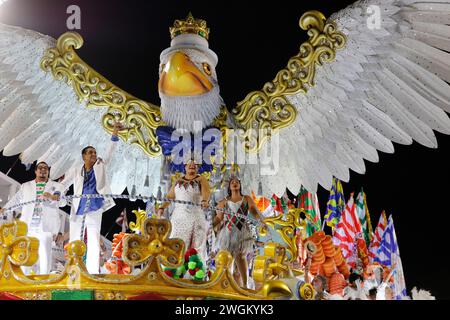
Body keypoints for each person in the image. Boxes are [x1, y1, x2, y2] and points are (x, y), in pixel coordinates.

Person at [60, 122, 122, 274]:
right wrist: (57, 194)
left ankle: (93, 271)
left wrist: (115, 132)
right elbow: (64, 184)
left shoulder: (100, 164)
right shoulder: (76, 169)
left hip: (95, 206)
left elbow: (109, 152)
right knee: (75, 238)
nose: (93, 154)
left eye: (94, 152)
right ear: (83, 156)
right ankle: (74, 269)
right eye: (90, 152)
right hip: (79, 207)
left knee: (94, 238)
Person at [0, 161, 65, 274]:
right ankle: (25, 278)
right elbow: (16, 200)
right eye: (40, 168)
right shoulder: (26, 186)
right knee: (26, 252)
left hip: (46, 226)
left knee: (45, 254)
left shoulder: (57, 186)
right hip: (29, 226)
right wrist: (5, 208)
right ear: (36, 171)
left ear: (48, 172)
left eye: (45, 168)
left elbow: (63, 202)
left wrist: (53, 198)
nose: (43, 170)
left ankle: (44, 279)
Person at [212, 176, 266, 288]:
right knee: (228, 257)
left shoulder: (246, 198)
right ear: (229, 186)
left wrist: (261, 221)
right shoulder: (224, 202)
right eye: (232, 182)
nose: (235, 183)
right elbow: (219, 218)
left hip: (242, 231)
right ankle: (227, 284)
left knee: (241, 257)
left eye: (237, 182)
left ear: (240, 185)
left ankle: (245, 285)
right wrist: (211, 225)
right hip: (228, 233)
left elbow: (253, 211)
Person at [157, 159, 210, 263]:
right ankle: (174, 271)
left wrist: (204, 200)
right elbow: (170, 196)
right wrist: (162, 207)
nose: (192, 165)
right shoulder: (178, 180)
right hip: (178, 218)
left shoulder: (201, 179)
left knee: (196, 246)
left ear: (198, 167)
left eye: (195, 164)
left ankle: (196, 272)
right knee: (177, 243)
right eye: (189, 164)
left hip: (195, 217)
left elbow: (206, 192)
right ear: (185, 167)